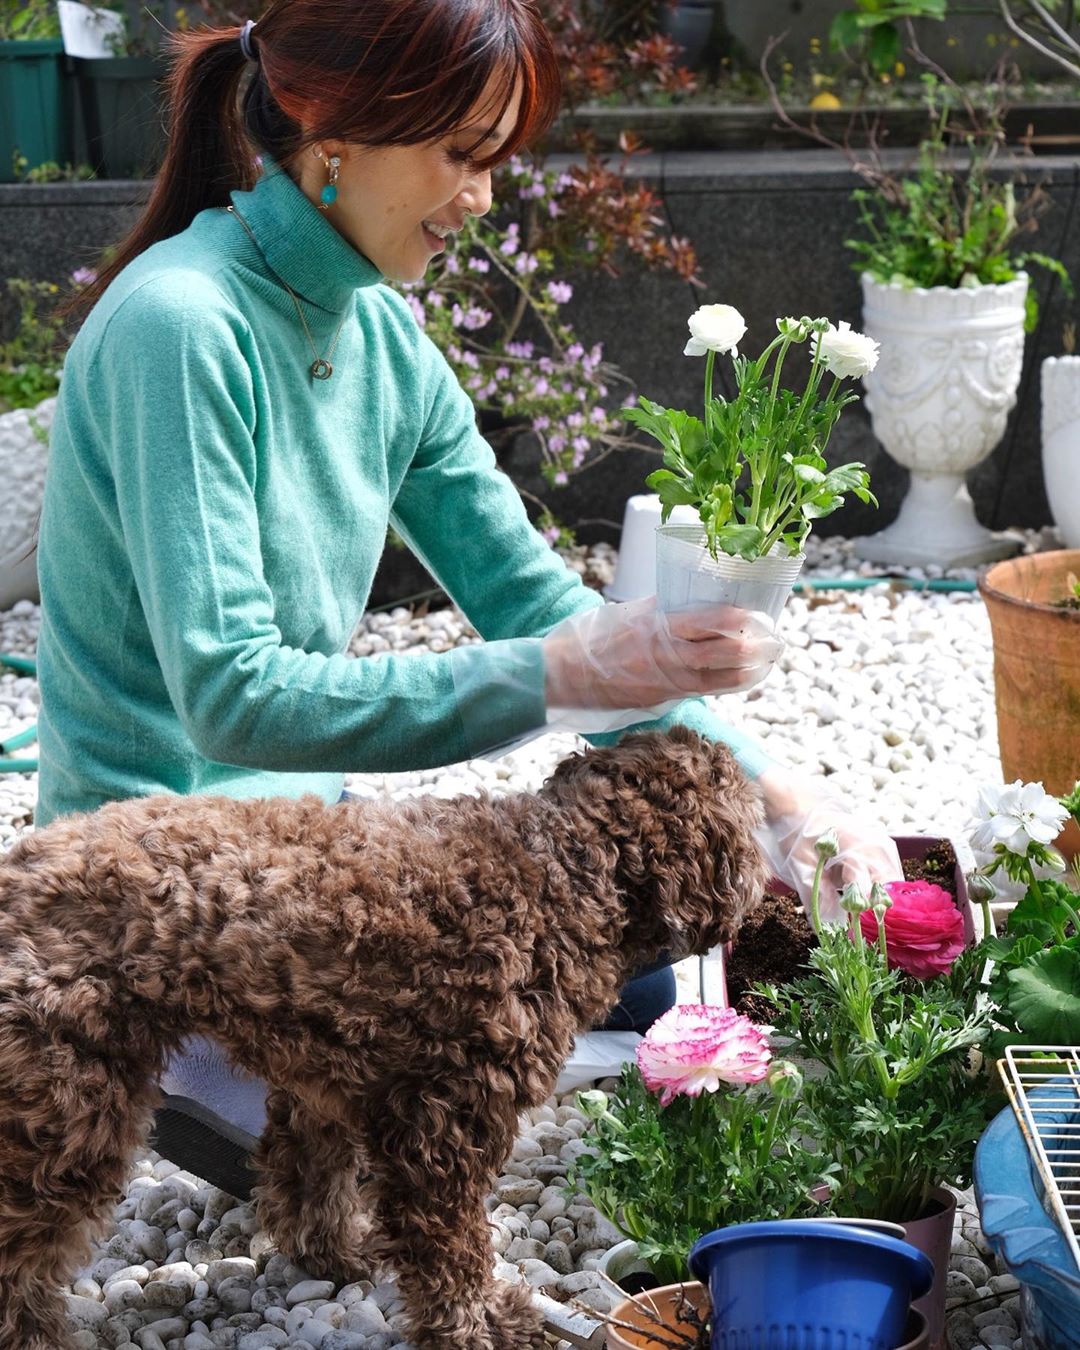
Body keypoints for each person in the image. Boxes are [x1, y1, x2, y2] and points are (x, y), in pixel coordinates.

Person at [36, 0, 900, 1193]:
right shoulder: (179, 329)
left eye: (495, 159)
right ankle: (191, 1065)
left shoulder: (381, 336)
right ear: (330, 126)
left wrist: (787, 803)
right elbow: (232, 697)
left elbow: (532, 600)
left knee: (639, 965)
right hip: (153, 901)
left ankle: (285, 1087)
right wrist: (561, 674)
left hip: (298, 859)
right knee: (512, 1030)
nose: (482, 197)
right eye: (461, 154)